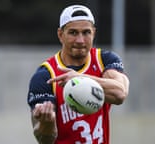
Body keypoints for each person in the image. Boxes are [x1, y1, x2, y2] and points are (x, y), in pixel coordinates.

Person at [27, 4, 130, 144]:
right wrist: (47, 123)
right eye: (73, 32)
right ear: (60, 34)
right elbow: (44, 139)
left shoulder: (104, 60)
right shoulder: (46, 75)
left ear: (94, 33)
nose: (80, 40)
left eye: (86, 32)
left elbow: (120, 94)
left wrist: (80, 79)